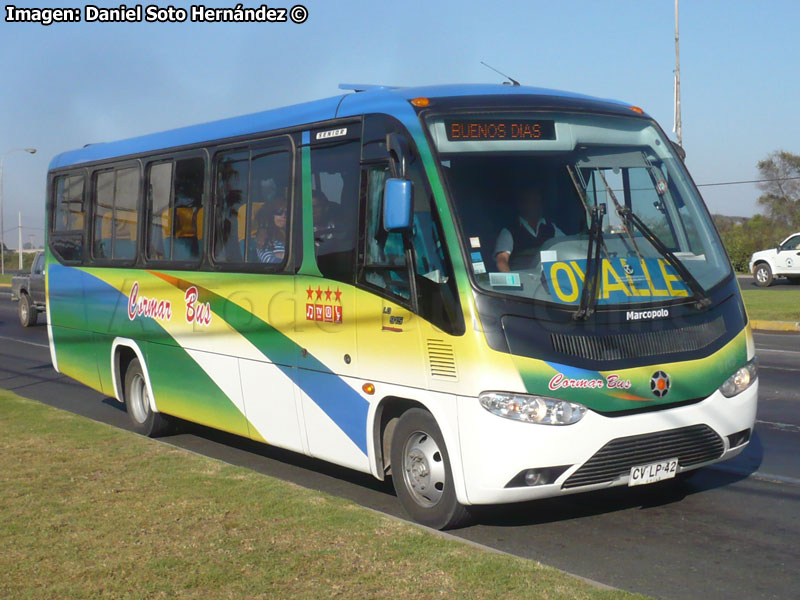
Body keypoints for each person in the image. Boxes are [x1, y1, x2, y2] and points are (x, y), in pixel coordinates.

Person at [494, 186, 563, 272]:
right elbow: (501, 260)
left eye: (538, 201)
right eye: (532, 201)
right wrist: (512, 282)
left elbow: (566, 246)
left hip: (550, 281)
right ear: (521, 205)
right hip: (526, 283)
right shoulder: (509, 232)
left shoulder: (551, 228)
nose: (536, 205)